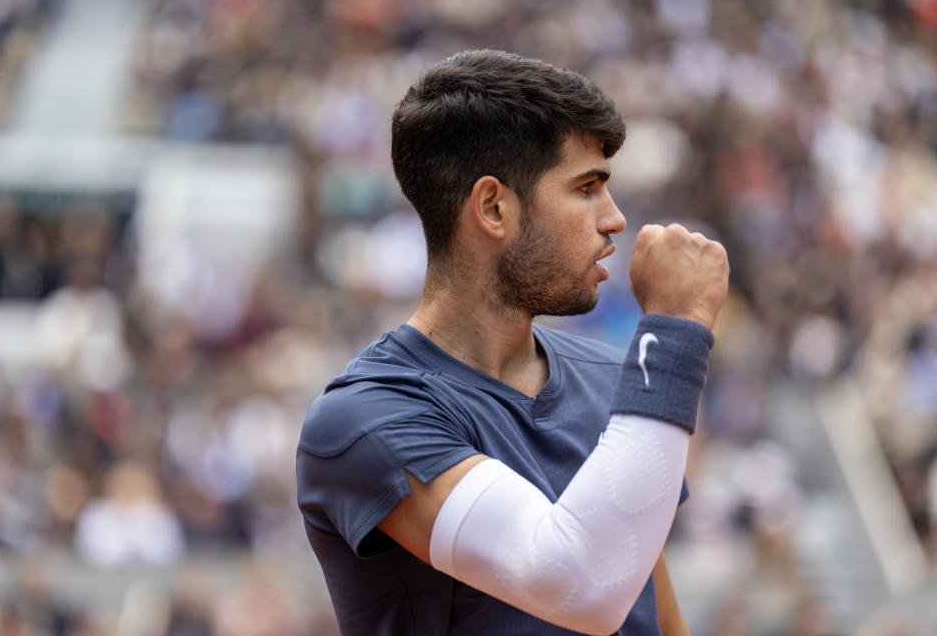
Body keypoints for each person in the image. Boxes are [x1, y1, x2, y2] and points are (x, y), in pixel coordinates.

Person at [295, 49, 729, 636]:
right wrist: (675, 329)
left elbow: (649, 607)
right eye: (586, 189)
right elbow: (577, 582)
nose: (615, 219)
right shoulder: (366, 419)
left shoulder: (615, 376)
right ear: (494, 207)